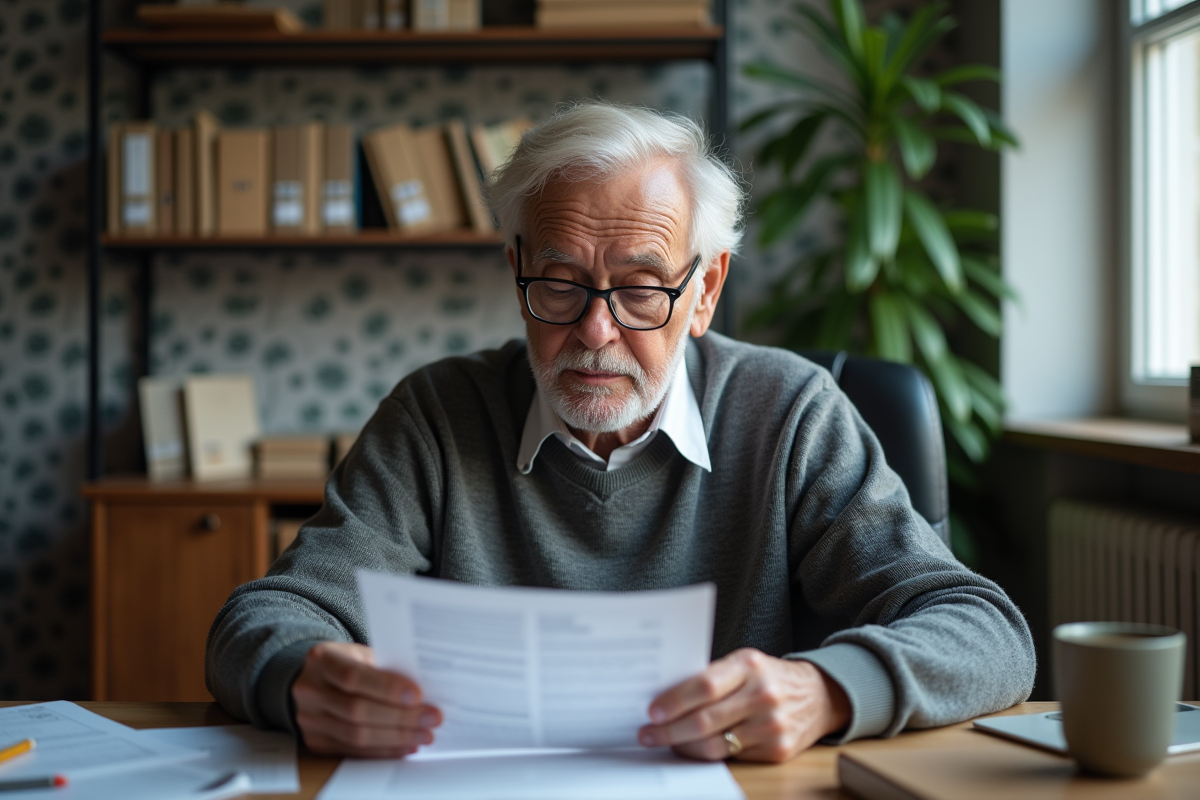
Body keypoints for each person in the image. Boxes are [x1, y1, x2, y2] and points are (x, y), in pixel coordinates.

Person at [206, 102, 1035, 764]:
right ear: (516, 271)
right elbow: (268, 614)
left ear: (705, 290)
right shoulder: (436, 414)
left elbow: (984, 629)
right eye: (560, 285)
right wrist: (300, 676)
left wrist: (826, 690)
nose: (596, 332)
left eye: (642, 290)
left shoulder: (791, 412)